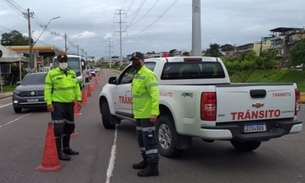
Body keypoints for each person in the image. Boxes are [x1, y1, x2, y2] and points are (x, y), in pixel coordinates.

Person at [44, 54, 82, 161]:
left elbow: (76, 87)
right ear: (57, 63)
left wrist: (79, 100)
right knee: (58, 128)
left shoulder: (72, 73)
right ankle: (58, 151)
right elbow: (47, 89)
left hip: (69, 104)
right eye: (61, 61)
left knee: (69, 127)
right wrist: (48, 103)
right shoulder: (51, 74)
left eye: (65, 61)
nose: (63, 63)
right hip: (58, 104)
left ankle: (66, 148)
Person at [130, 52, 160, 177]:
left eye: (136, 60)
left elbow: (155, 95)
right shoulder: (137, 74)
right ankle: (146, 160)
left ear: (142, 60)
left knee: (149, 141)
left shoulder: (148, 75)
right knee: (141, 140)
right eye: (132, 60)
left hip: (148, 115)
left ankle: (153, 167)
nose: (134, 62)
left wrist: (154, 113)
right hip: (139, 114)